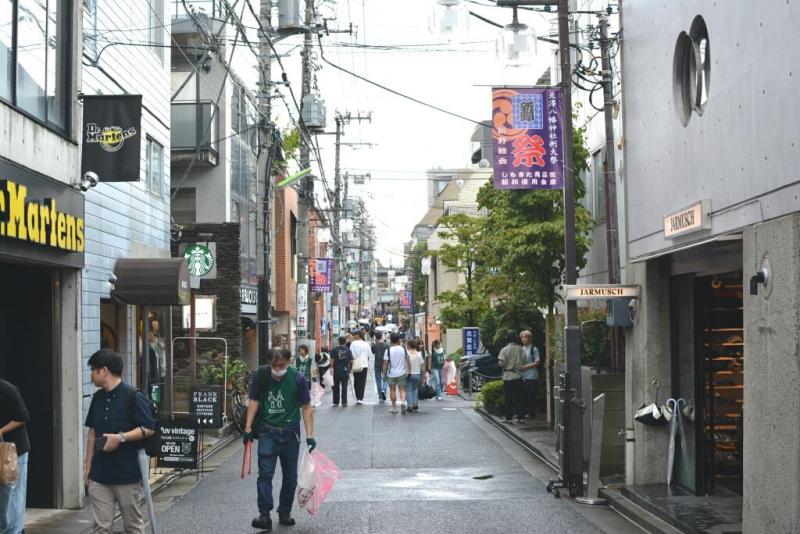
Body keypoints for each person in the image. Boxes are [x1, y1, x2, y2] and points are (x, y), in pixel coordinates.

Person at [83, 350, 156, 534]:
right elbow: (92, 432)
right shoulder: (97, 398)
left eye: (93, 370)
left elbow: (148, 428)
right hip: (99, 475)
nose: (91, 375)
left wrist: (120, 438)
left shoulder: (133, 396)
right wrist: (88, 467)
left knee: (133, 526)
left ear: (104, 371)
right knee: (101, 528)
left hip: (127, 475)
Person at [243, 347, 315, 531]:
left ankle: (284, 512)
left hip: (291, 433)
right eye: (274, 365)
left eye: (281, 365)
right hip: (268, 431)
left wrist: (310, 435)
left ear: (289, 362)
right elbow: (254, 400)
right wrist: (248, 427)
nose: (277, 369)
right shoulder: (261, 375)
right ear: (269, 363)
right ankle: (264, 515)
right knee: (265, 474)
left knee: (290, 477)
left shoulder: (297, 378)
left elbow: (306, 407)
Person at [0, 378, 30, 533]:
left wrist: (0, 431)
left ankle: (15, 530)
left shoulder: (7, 389)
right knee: (5, 493)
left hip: (14, 450)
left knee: (13, 491)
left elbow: (22, 417)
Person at [498, 330, 527, 424]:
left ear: (507, 339)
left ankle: (509, 418)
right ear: (516, 338)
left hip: (508, 376)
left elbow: (501, 363)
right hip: (518, 376)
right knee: (520, 398)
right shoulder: (521, 349)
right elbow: (525, 361)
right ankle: (520, 418)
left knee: (508, 398)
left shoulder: (504, 350)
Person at [382, 333, 411, 414]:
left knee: (392, 390)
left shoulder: (388, 350)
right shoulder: (403, 349)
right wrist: (409, 370)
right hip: (402, 372)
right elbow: (407, 359)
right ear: (399, 340)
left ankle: (394, 408)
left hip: (391, 373)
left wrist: (383, 373)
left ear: (391, 340)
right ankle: (402, 402)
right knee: (402, 389)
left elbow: (385, 363)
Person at [520, 330, 541, 418]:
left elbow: (537, 362)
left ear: (529, 338)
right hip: (523, 376)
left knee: (531, 396)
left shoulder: (534, 349)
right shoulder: (522, 349)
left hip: (532, 376)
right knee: (523, 395)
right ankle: (524, 412)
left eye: (525, 337)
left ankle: (532, 413)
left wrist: (525, 367)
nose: (523, 339)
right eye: (522, 337)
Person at [330, 336, 354, 407]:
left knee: (336, 387)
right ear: (345, 342)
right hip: (345, 371)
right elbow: (351, 361)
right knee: (344, 387)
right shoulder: (348, 350)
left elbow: (332, 360)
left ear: (338, 342)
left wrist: (331, 368)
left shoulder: (334, 350)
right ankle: (344, 402)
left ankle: (336, 402)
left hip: (336, 370)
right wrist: (350, 370)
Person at [349, 331, 371, 405]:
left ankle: (358, 397)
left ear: (358, 335)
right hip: (364, 363)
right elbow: (369, 354)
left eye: (355, 335)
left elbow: (350, 354)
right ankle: (360, 398)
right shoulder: (366, 344)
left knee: (356, 380)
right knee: (362, 381)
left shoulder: (353, 344)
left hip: (356, 363)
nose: (354, 336)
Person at [405, 339, 424, 412]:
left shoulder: (407, 354)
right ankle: (415, 404)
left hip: (408, 374)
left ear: (409, 345)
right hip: (417, 374)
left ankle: (410, 406)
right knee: (415, 389)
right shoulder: (419, 354)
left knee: (409, 390)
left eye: (407, 344)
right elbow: (422, 365)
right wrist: (423, 376)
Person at [371, 332, 389, 403]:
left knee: (378, 379)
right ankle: (384, 389)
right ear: (382, 336)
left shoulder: (374, 345)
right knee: (386, 378)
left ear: (375, 337)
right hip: (385, 363)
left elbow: (371, 352)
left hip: (377, 363)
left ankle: (380, 396)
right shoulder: (387, 345)